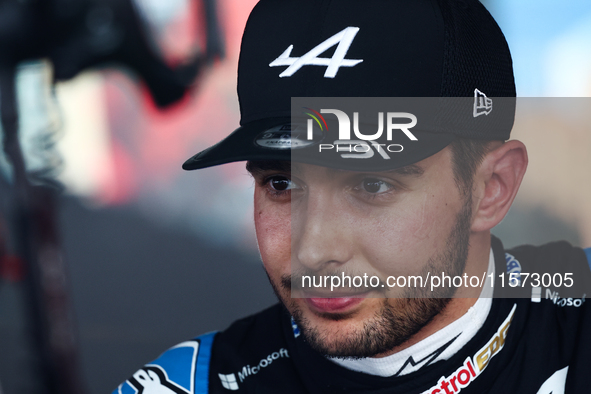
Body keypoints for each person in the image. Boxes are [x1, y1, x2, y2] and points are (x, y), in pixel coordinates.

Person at [113, 0, 591, 393]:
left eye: (372, 185)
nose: (316, 250)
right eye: (283, 185)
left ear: (492, 189)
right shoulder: (190, 386)